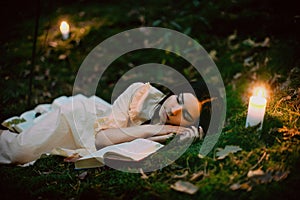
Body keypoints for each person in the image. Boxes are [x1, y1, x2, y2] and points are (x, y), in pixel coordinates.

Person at [0, 81, 221, 165]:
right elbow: (100, 139)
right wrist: (154, 129)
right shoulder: (139, 94)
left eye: (185, 115)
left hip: (93, 137)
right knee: (20, 151)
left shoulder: (174, 132)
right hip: (78, 121)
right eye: (178, 100)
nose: (173, 110)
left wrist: (184, 134)